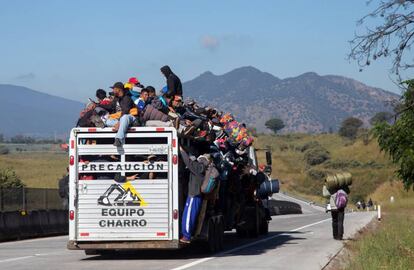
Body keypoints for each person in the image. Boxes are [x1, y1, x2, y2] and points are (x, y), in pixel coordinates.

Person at [179, 146, 210, 244]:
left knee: (188, 216)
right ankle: (185, 234)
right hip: (195, 195)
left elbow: (188, 162)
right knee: (188, 215)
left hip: (194, 195)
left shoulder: (199, 168)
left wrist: (181, 151)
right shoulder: (201, 168)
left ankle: (186, 236)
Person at [98, 82, 135, 147]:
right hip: (121, 119)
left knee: (124, 117)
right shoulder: (117, 98)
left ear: (119, 89)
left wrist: (119, 123)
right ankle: (121, 125)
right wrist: (98, 105)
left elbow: (125, 111)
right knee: (107, 121)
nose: (113, 90)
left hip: (131, 117)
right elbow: (110, 106)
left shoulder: (127, 98)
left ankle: (119, 139)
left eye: (114, 89)